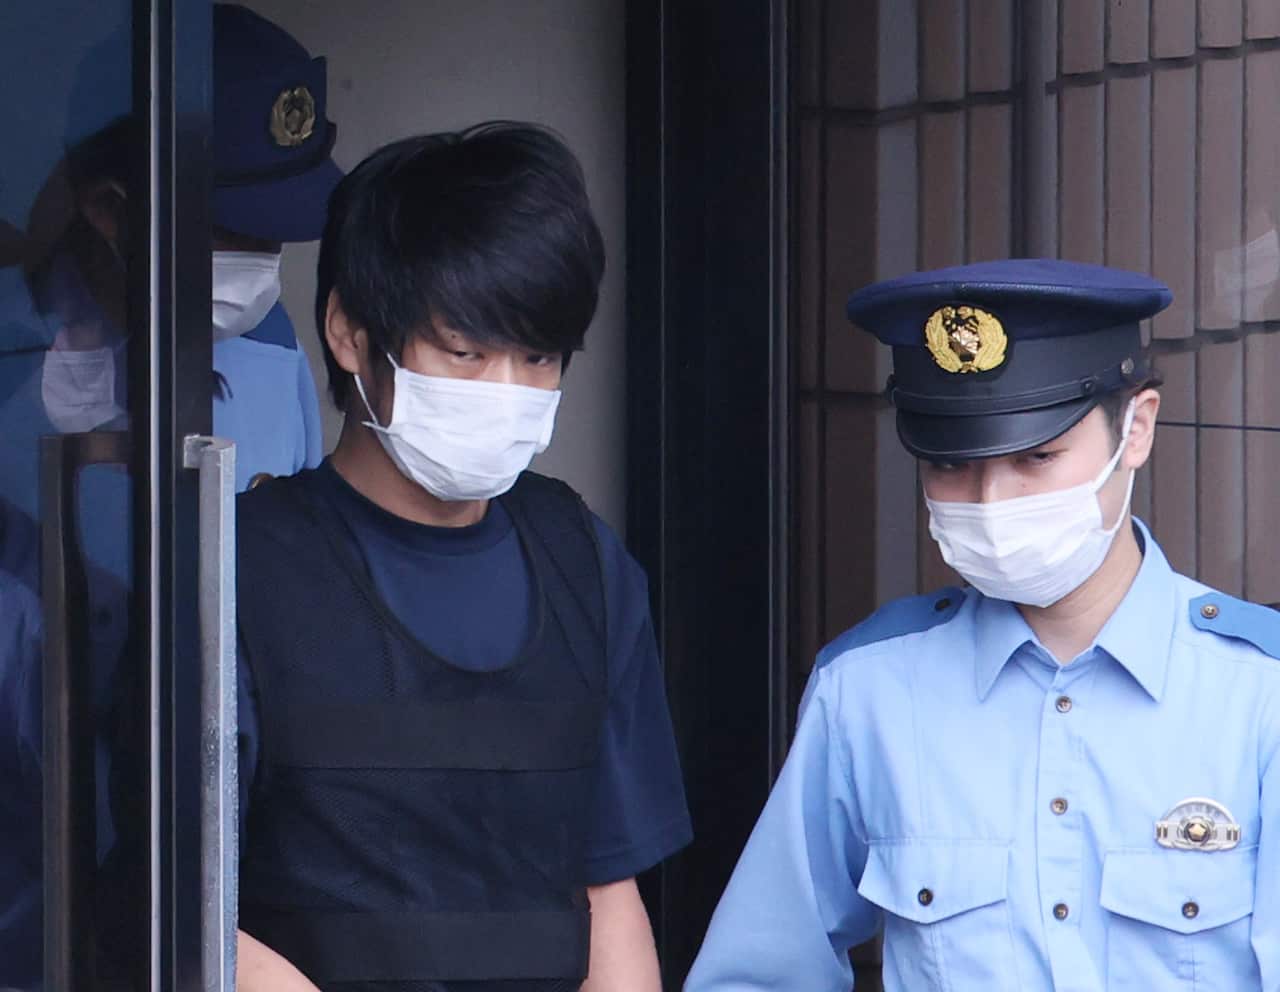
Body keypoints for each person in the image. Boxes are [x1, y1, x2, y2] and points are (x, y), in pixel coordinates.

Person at [686, 259, 1280, 991]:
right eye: (951, 464)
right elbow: (761, 972)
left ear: (1137, 428)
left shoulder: (1259, 694)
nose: (992, 501)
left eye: (1036, 457)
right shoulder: (868, 690)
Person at [233, 123, 692, 992]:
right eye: (466, 352)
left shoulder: (584, 562)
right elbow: (181, 909)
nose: (506, 392)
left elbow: (610, 891)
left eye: (539, 356)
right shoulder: (237, 573)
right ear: (350, 333)